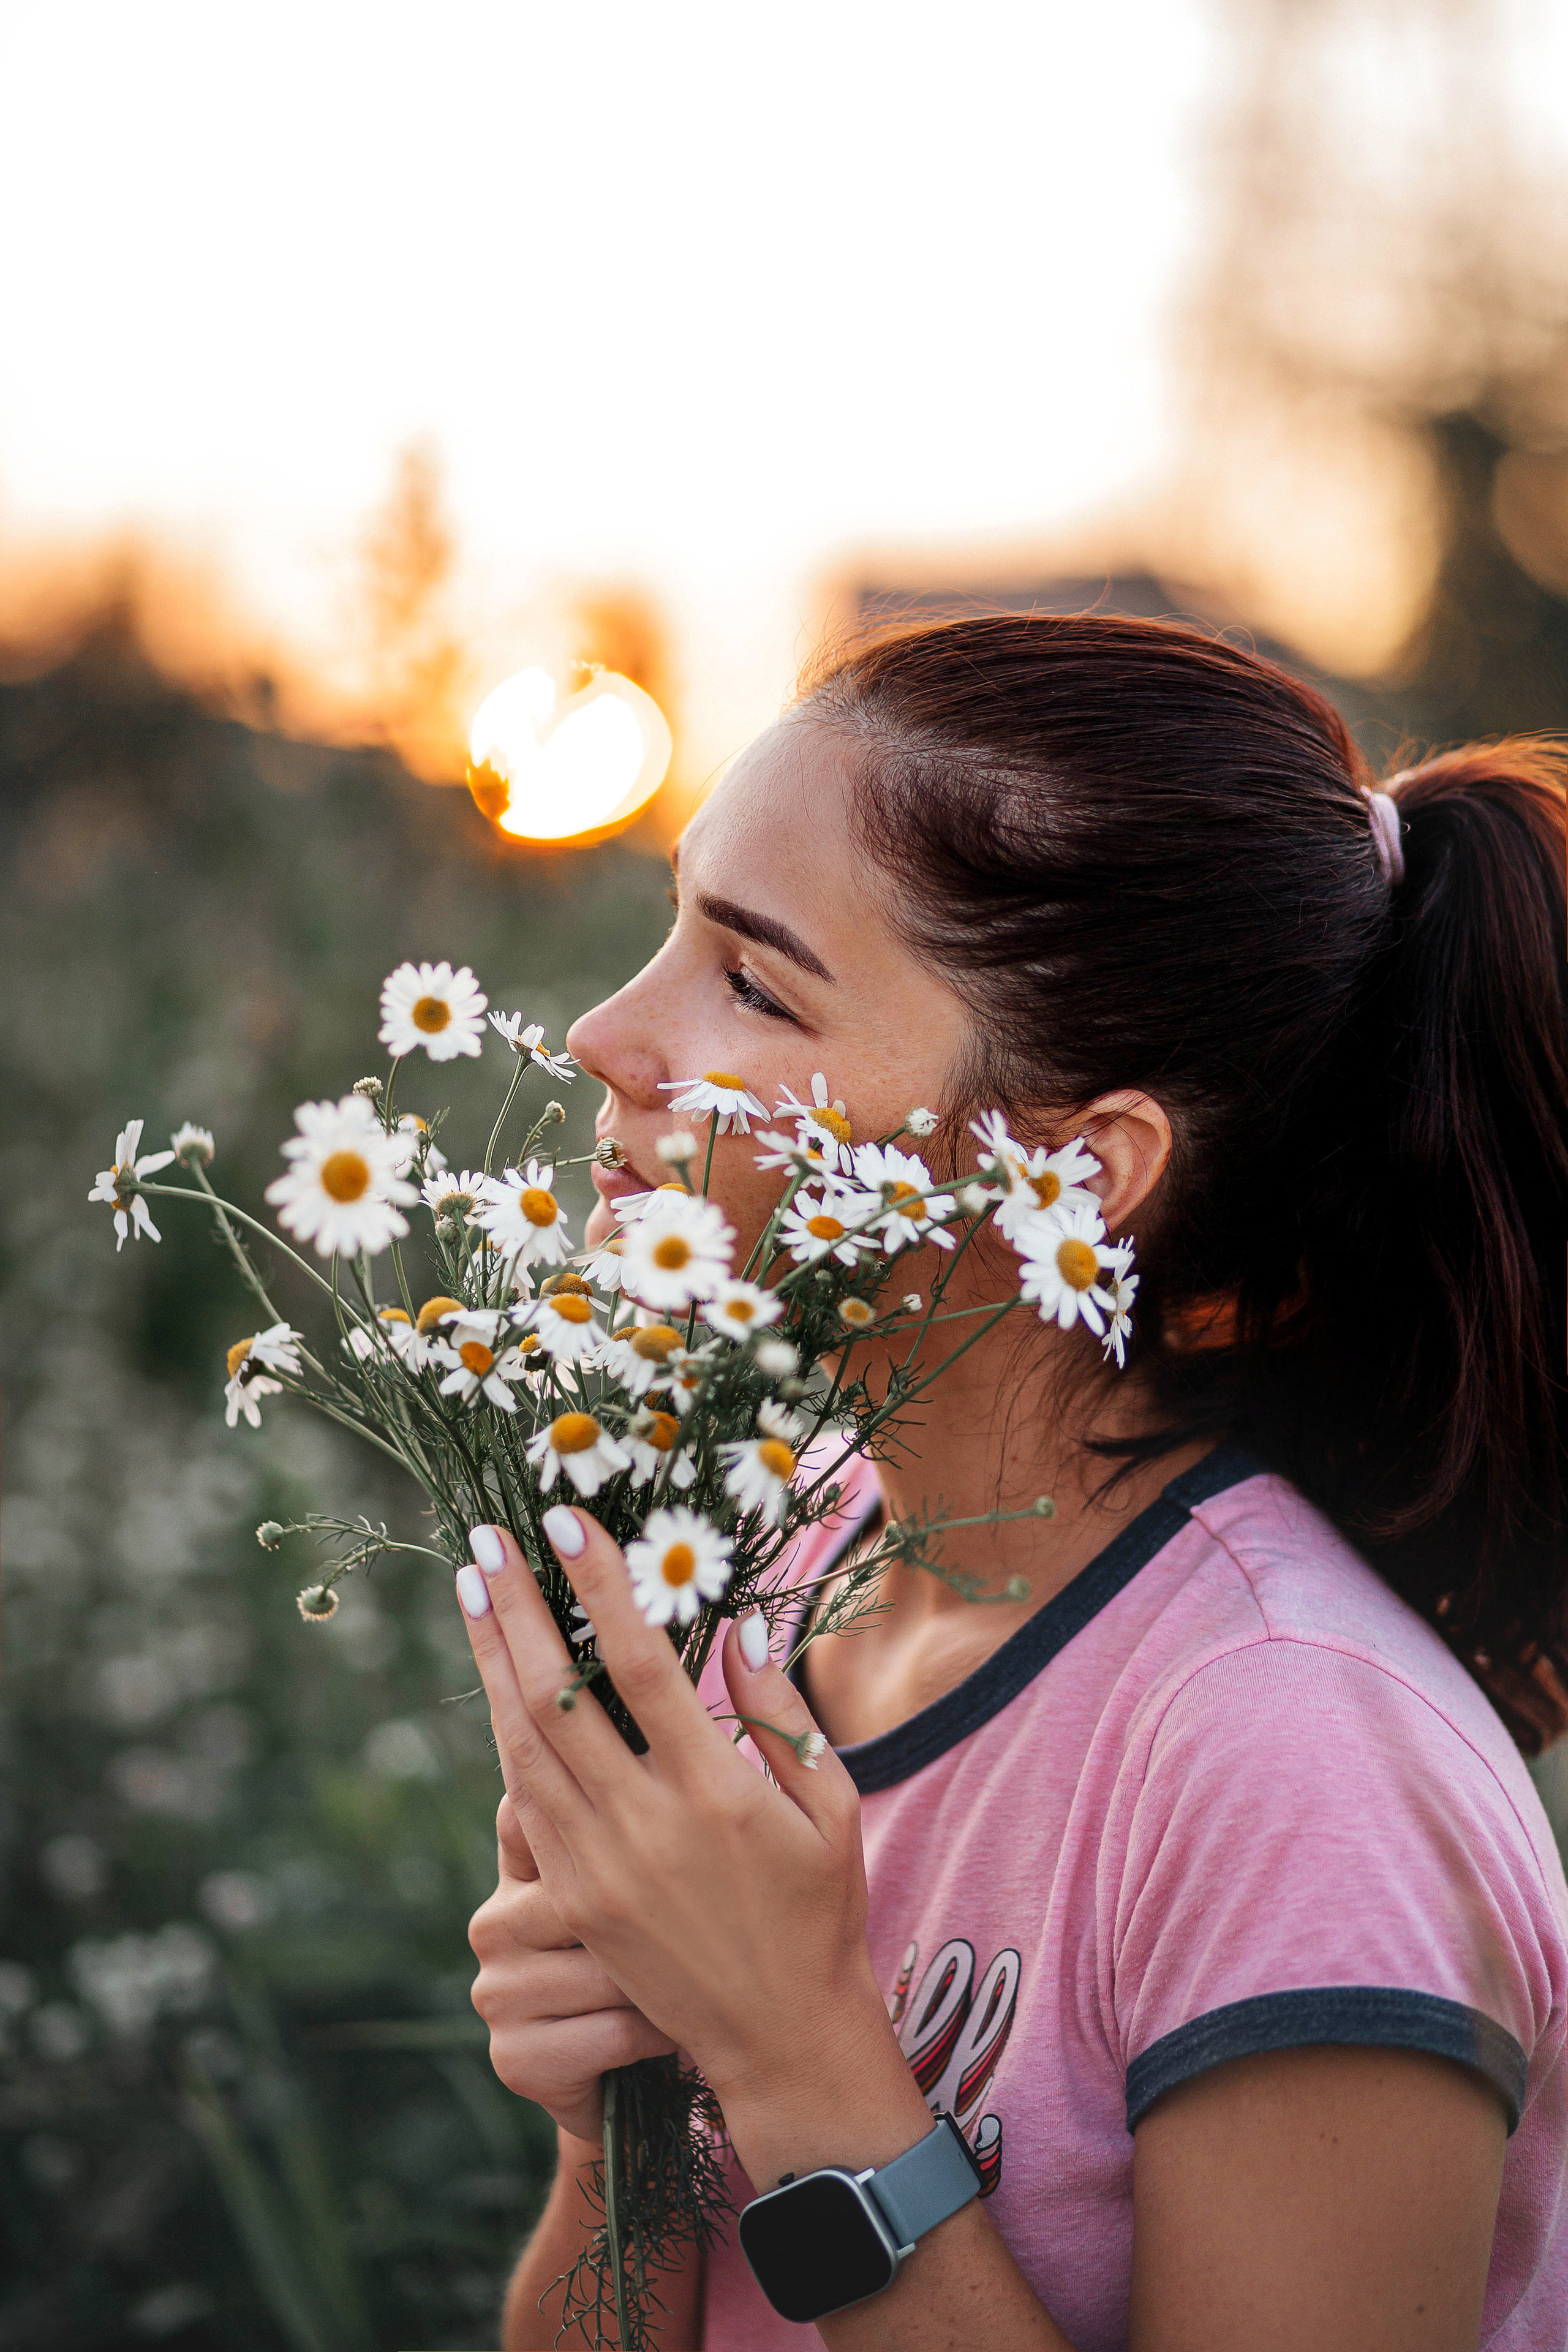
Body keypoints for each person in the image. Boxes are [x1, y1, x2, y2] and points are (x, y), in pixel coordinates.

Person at [453, 615, 1568, 2350]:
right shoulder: (779, 1557)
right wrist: (622, 2130)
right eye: (674, 929)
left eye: (756, 984)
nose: (604, 1032)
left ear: (1070, 1171)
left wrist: (790, 2052)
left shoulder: (1293, 1761)